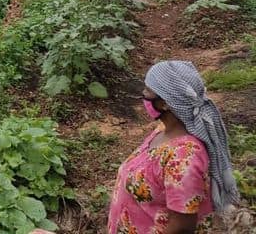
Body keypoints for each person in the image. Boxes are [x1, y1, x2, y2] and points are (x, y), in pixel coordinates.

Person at [31, 61, 240, 234]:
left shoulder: (184, 157)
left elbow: (182, 227)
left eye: (148, 90)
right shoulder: (162, 132)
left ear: (166, 103)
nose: (143, 93)